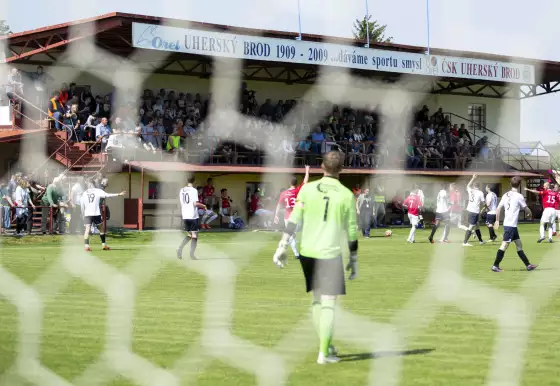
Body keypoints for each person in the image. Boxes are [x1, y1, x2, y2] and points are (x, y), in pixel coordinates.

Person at [272, 151, 358, 365]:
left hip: (307, 252)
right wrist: (353, 259)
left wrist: (282, 245)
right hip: (329, 253)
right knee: (329, 302)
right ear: (342, 169)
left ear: (322, 167)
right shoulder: (347, 195)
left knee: (317, 300)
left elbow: (294, 219)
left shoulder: (308, 189)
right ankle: (324, 354)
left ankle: (326, 345)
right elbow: (352, 230)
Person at [492, 176, 537, 272]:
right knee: (504, 245)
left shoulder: (505, 195)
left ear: (510, 184)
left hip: (510, 225)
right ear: (519, 185)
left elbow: (498, 208)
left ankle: (528, 265)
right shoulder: (519, 196)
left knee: (519, 244)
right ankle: (495, 265)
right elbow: (526, 208)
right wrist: (530, 213)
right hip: (510, 225)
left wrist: (497, 220)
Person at [273, 165, 310, 258]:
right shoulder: (297, 190)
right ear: (296, 183)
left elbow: (278, 205)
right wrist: (307, 171)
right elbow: (305, 181)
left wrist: (276, 215)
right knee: (294, 234)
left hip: (287, 218)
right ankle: (289, 251)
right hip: (296, 217)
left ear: (289, 183)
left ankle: (289, 249)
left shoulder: (284, 193)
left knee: (291, 235)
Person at [81, 180, 125, 251]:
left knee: (87, 229)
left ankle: (86, 246)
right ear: (94, 184)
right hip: (96, 213)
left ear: (88, 184)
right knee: (101, 228)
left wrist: (83, 214)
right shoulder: (97, 191)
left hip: (87, 214)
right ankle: (104, 245)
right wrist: (118, 194)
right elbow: (107, 195)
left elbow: (82, 205)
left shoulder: (84, 193)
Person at [177, 176, 206, 260]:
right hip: (192, 215)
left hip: (185, 214)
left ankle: (180, 248)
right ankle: (192, 255)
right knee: (195, 235)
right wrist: (204, 206)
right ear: (194, 181)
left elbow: (182, 203)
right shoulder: (194, 190)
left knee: (190, 234)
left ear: (187, 180)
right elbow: (195, 204)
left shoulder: (182, 190)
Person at [462, 174, 486, 246]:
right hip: (475, 211)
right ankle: (465, 242)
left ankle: (481, 241)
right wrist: (486, 206)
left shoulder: (471, 190)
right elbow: (483, 202)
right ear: (479, 186)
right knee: (471, 226)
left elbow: (467, 186)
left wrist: (473, 178)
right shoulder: (480, 193)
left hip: (469, 210)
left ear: (473, 186)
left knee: (477, 226)